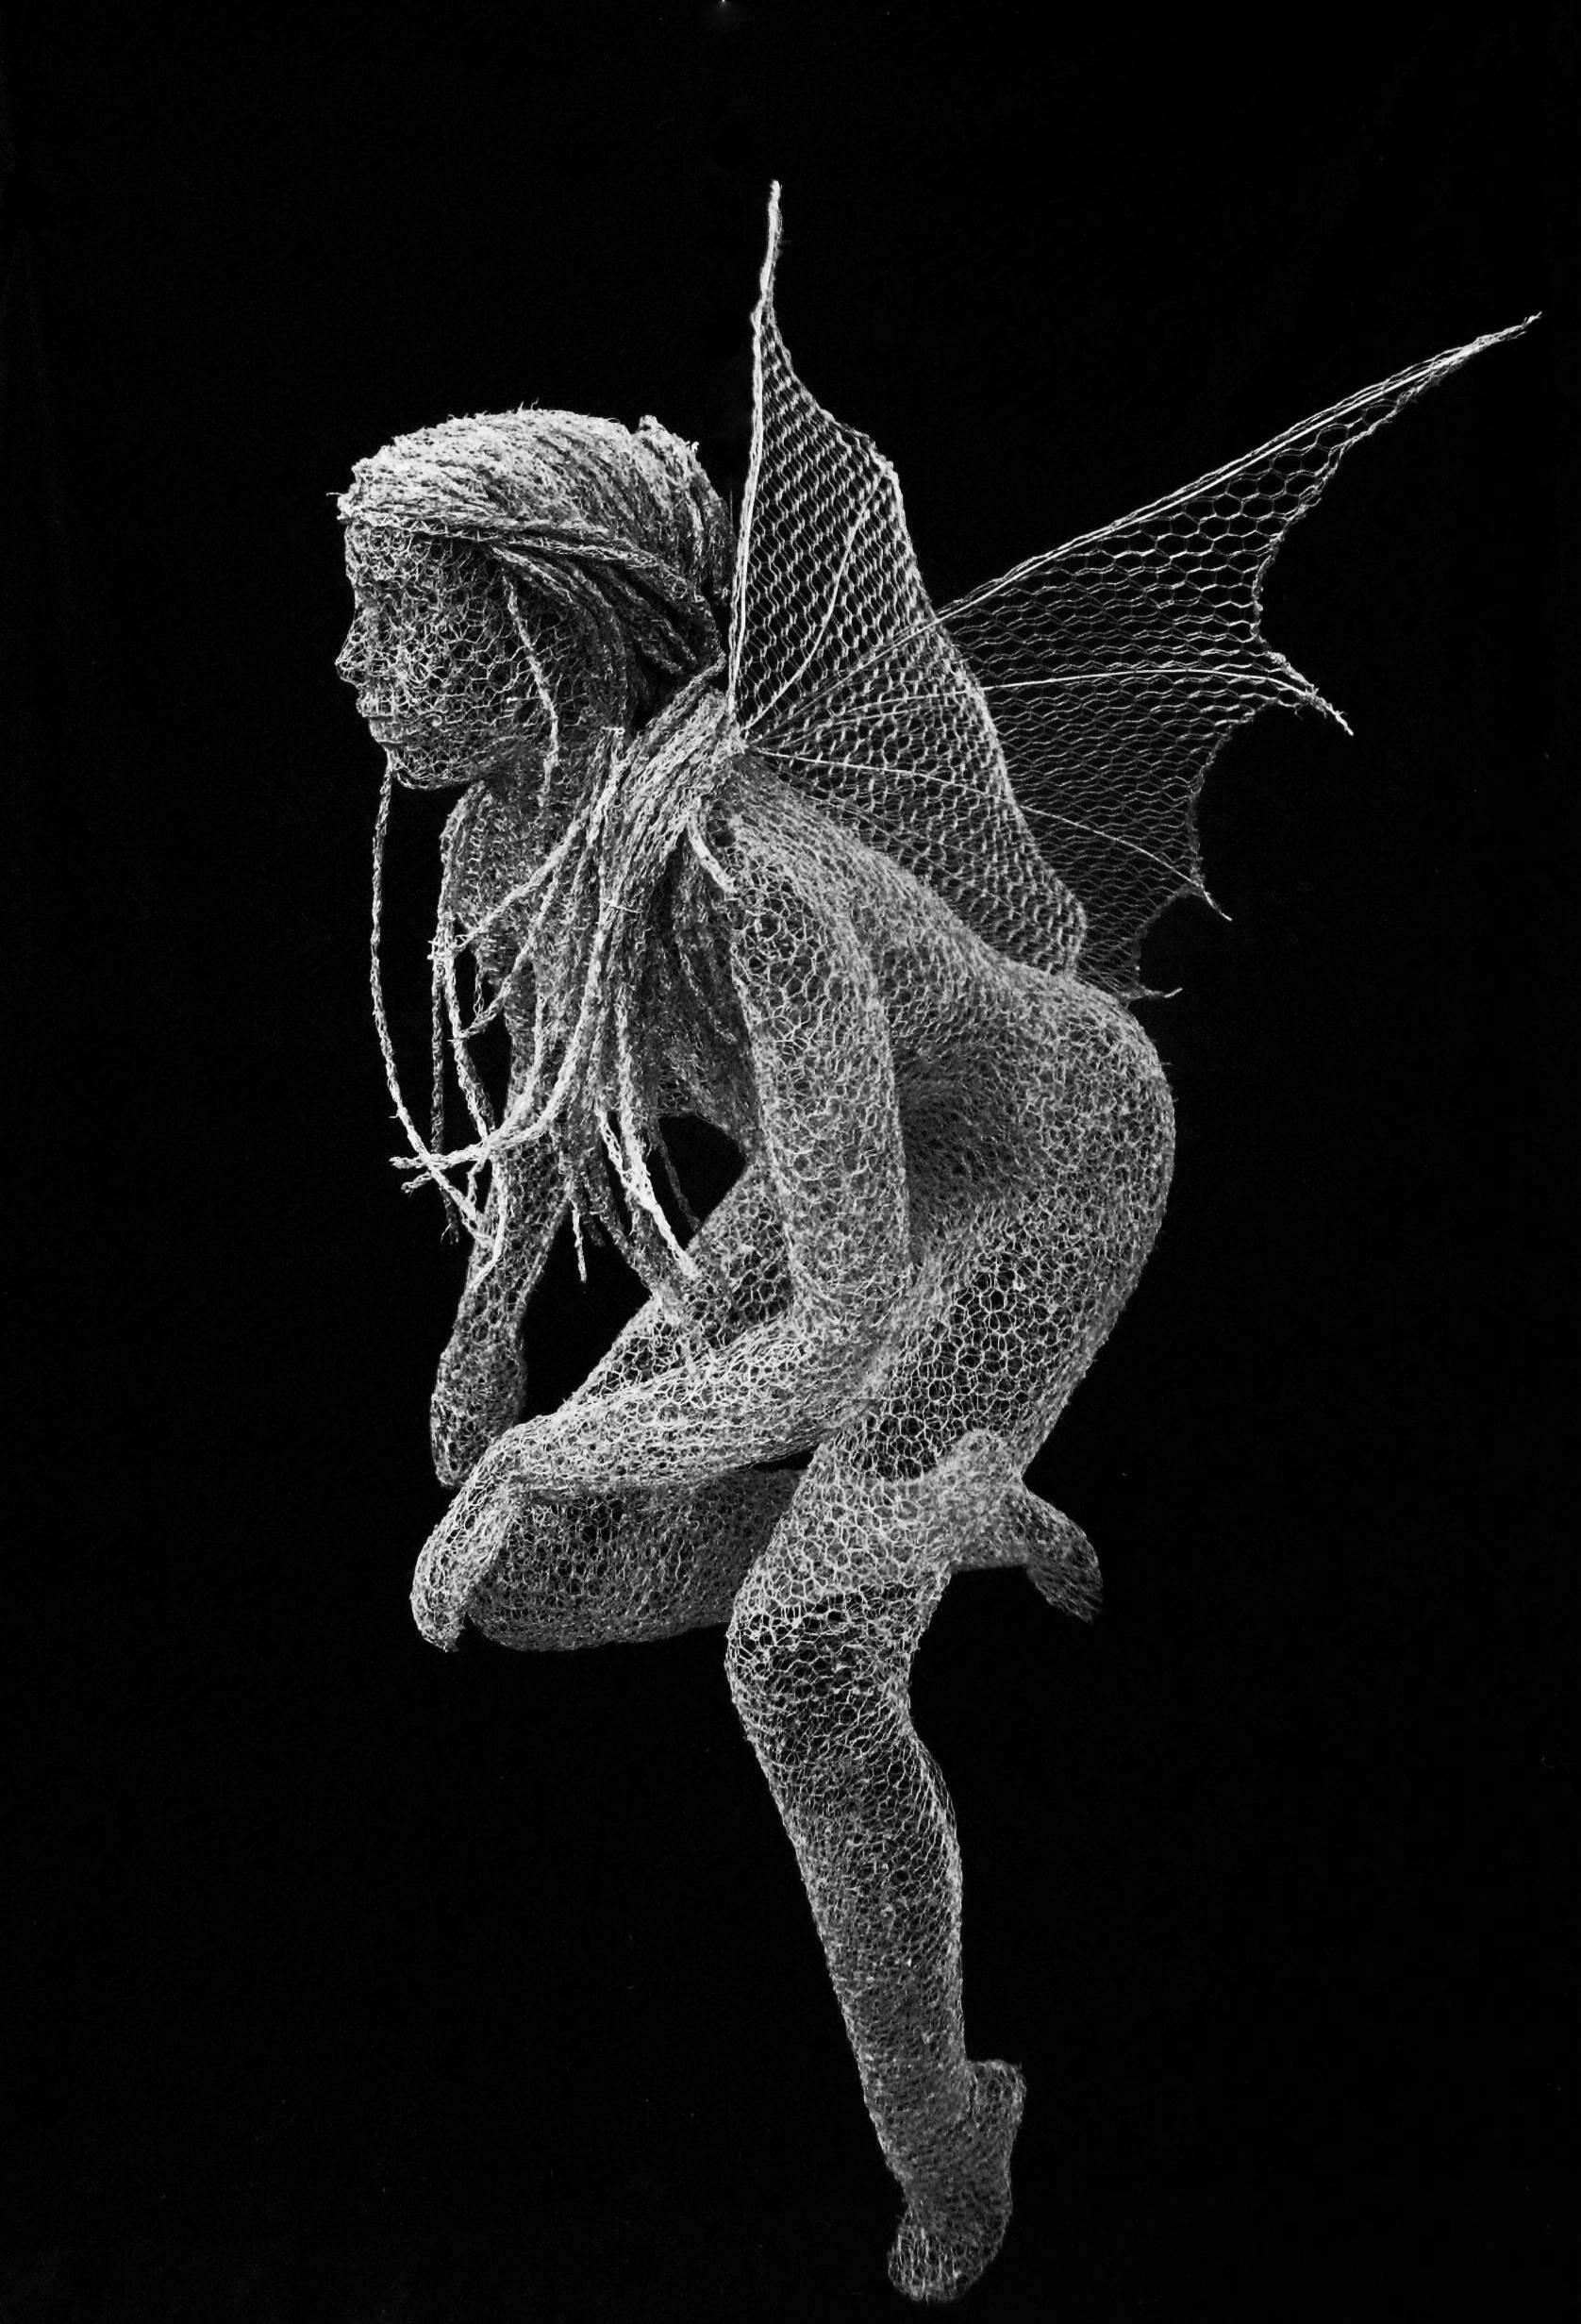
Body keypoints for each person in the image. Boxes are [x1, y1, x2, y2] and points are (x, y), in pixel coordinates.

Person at [335, 393, 1174, 2302]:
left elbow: (832, 1329)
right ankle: (933, 1515)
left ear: (545, 629)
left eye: (391, 615)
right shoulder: (503, 841)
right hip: (853, 1170)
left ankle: (947, 2131)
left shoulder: (752, 880)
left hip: (1048, 1157)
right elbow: (555, 1098)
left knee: (800, 1657)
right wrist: (488, 1320)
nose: (352, 662)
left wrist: (551, 1440)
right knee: (524, 1575)